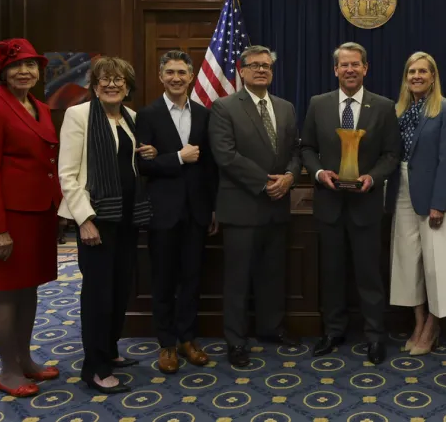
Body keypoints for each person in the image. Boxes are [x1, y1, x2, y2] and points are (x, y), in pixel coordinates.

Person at [0, 38, 62, 398]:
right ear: (2, 72)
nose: (25, 71)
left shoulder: (40, 107)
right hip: (8, 220)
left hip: (39, 215)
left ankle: (25, 360)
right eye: (16, 66)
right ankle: (8, 370)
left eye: (31, 65)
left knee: (29, 289)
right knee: (6, 293)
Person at [58, 56, 155, 394]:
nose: (113, 84)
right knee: (98, 295)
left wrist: (150, 154)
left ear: (128, 86)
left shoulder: (131, 117)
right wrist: (84, 220)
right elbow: (68, 175)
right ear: (95, 85)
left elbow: (129, 163)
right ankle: (94, 368)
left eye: (119, 80)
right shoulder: (79, 115)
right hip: (97, 220)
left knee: (119, 288)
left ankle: (110, 351)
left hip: (128, 218)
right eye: (106, 79)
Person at [301, 42, 401, 365]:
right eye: (344, 65)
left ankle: (374, 335)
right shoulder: (318, 104)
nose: (349, 70)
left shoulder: (383, 107)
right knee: (331, 274)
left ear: (365, 68)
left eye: (355, 64)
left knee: (369, 275)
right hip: (329, 204)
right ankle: (333, 331)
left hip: (366, 205)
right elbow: (306, 148)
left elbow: (392, 155)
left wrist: (373, 177)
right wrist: (317, 173)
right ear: (335, 70)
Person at [208, 45, 301, 368]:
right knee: (237, 279)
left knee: (273, 275)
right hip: (242, 206)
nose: (261, 70)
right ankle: (235, 340)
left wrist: (289, 176)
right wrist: (266, 182)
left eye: (267, 66)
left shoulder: (286, 108)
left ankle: (271, 329)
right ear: (242, 70)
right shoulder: (224, 107)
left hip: (277, 207)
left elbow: (296, 150)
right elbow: (225, 155)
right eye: (255, 65)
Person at [136, 51, 218, 374]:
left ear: (191, 75)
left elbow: (209, 165)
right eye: (169, 72)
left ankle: (187, 338)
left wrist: (212, 207)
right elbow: (142, 163)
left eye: (181, 72)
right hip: (163, 212)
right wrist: (178, 158)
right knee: (163, 279)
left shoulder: (203, 114)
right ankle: (166, 343)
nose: (175, 78)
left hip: (197, 212)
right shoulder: (148, 115)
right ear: (160, 76)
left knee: (192, 278)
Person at [386, 52, 446, 356]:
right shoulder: (399, 109)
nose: (416, 76)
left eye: (422, 71)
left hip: (433, 196)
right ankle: (417, 322)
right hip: (402, 190)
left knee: (436, 264)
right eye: (411, 72)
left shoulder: (445, 109)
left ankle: (433, 326)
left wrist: (439, 203)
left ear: (433, 77)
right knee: (407, 261)